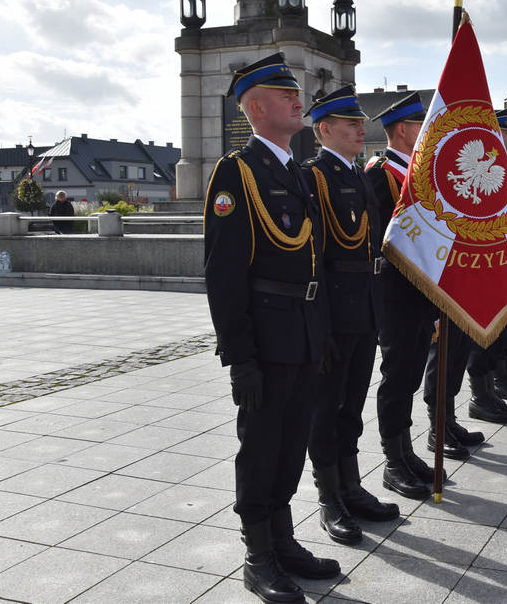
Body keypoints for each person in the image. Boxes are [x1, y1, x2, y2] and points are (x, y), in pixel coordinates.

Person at [204, 52, 338, 603]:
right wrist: (241, 358)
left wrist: (323, 332)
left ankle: (283, 543)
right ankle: (258, 555)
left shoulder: (294, 171)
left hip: (304, 331)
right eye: (285, 95)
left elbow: (315, 259)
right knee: (260, 448)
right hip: (266, 336)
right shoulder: (236, 173)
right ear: (256, 108)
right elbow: (224, 273)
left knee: (291, 444)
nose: (297, 99)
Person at [301, 86, 399, 546]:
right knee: (327, 406)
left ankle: (351, 485)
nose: (363, 129)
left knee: (352, 405)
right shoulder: (315, 177)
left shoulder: (358, 174)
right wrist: (319, 324)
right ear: (325, 129)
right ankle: (329, 498)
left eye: (361, 122)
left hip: (365, 305)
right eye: (352, 124)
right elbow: (315, 256)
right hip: (337, 310)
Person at [364, 92, 438, 501]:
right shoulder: (380, 174)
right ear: (405, 130)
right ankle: (393, 461)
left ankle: (407, 451)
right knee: (396, 376)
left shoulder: (417, 173)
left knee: (410, 373)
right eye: (420, 126)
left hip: (420, 290)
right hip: (393, 293)